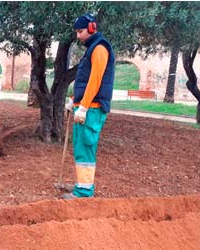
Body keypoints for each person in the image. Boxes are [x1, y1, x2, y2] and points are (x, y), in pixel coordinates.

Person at [62, 13, 115, 199]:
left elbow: (95, 81)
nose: (78, 36)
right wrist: (73, 100)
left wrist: (83, 107)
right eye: (76, 31)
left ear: (92, 28)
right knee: (80, 147)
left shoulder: (99, 48)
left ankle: (84, 192)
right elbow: (83, 80)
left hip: (92, 107)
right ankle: (81, 184)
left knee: (86, 146)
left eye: (80, 31)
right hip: (85, 105)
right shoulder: (91, 48)